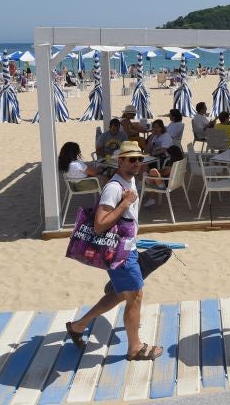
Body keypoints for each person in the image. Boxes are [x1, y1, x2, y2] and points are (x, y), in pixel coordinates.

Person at [66, 141, 163, 361]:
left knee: (121, 293)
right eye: (132, 159)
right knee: (135, 296)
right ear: (120, 161)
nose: (137, 163)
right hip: (120, 253)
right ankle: (135, 348)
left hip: (128, 247)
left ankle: (78, 326)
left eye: (139, 159)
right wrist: (125, 203)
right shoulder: (114, 188)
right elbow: (99, 224)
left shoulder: (131, 179)